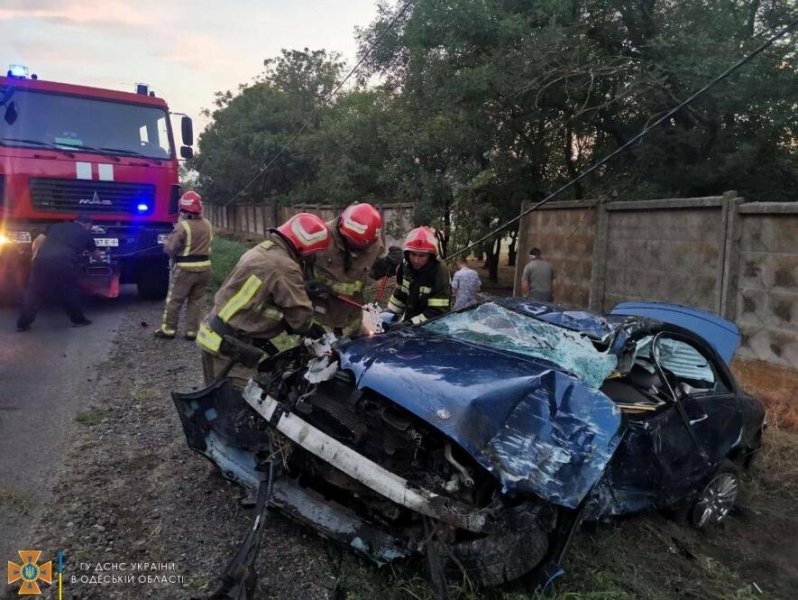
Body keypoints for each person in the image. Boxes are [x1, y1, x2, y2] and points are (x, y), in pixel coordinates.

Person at [196, 213, 330, 389]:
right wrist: (311, 327)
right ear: (304, 249)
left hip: (213, 333)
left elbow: (267, 283)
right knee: (237, 410)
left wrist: (301, 286)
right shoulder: (286, 268)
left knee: (213, 398)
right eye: (313, 254)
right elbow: (300, 320)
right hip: (231, 349)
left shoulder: (264, 249)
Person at [303, 203, 403, 336]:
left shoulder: (371, 242)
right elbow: (291, 271)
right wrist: (303, 286)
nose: (360, 252)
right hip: (320, 320)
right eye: (355, 245)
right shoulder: (318, 237)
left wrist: (388, 265)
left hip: (353, 322)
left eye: (364, 248)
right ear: (342, 232)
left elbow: (374, 270)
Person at [16, 213, 101, 331]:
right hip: (64, 262)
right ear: (88, 225)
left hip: (41, 260)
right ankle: (78, 320)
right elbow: (96, 255)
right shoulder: (86, 233)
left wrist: (35, 256)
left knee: (34, 292)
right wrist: (101, 257)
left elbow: (38, 240)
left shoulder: (56, 226)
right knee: (70, 291)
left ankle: (22, 324)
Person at [155, 191, 214, 341]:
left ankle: (168, 329)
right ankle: (192, 332)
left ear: (183, 209)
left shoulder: (183, 226)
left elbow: (170, 248)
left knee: (175, 299)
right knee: (196, 301)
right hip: (205, 269)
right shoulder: (208, 224)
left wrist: (167, 243)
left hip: (186, 270)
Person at [383, 226, 451, 328]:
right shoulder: (405, 265)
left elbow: (438, 312)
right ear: (407, 253)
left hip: (432, 328)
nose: (416, 260)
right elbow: (400, 294)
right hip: (410, 321)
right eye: (413, 254)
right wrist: (389, 313)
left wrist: (408, 325)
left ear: (430, 256)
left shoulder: (440, 271)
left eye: (421, 256)